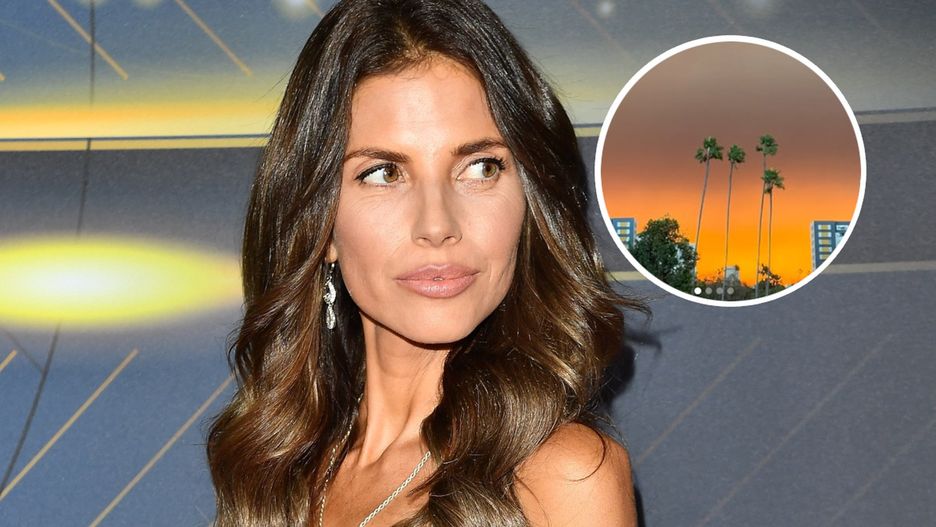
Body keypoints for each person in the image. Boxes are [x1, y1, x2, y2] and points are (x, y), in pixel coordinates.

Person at [205, 0, 650, 525]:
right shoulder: (278, 471)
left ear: (529, 203)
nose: (437, 225)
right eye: (383, 173)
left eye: (480, 167)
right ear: (321, 227)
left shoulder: (563, 477)